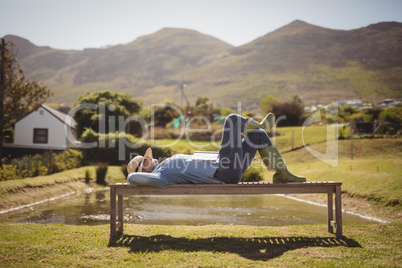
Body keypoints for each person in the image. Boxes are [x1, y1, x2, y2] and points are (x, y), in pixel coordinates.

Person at [127, 113, 306, 188]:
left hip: (225, 165)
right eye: (145, 161)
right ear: (145, 169)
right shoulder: (160, 176)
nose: (149, 159)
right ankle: (257, 124)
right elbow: (133, 178)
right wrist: (135, 173)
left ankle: (282, 173)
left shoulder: (163, 167)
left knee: (258, 136)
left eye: (146, 158)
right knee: (232, 120)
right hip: (224, 171)